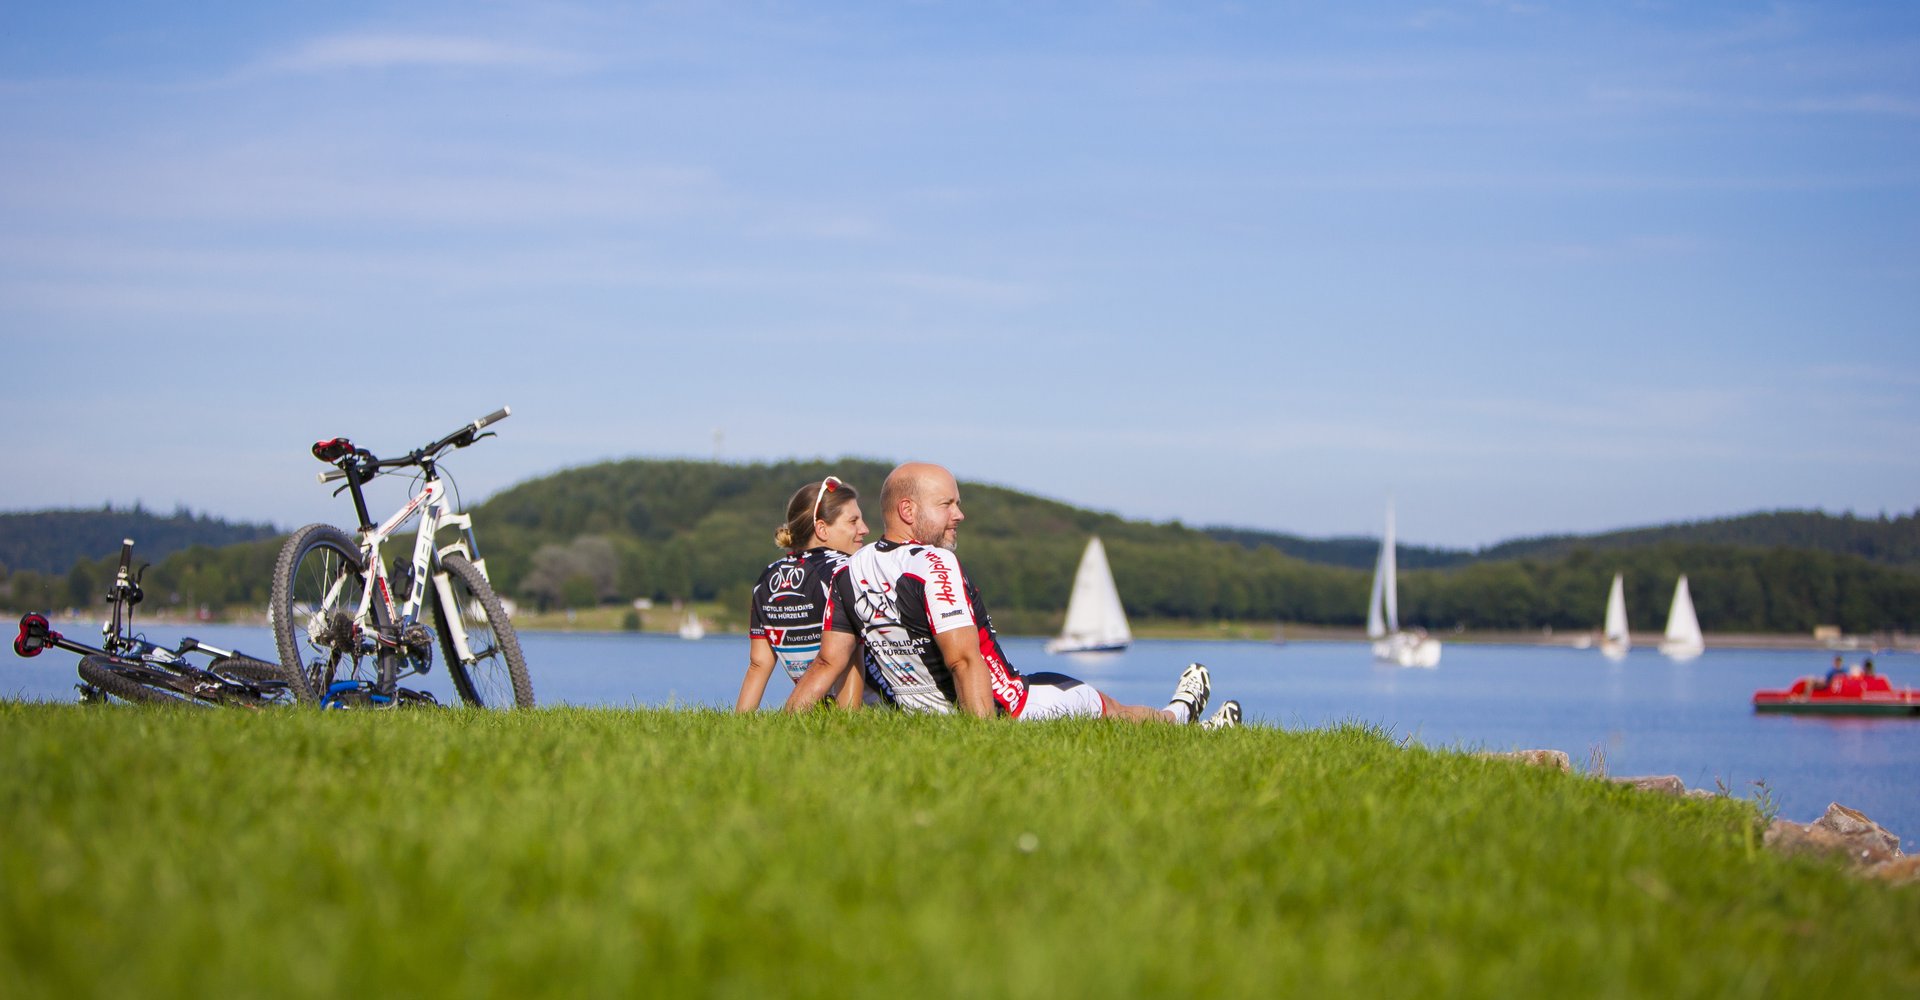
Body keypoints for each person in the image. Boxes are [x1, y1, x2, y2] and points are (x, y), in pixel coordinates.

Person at [784, 462, 1240, 726]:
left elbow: (829, 662)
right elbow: (964, 660)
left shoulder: (851, 570)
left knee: (1060, 683)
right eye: (947, 505)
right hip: (1010, 705)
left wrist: (784, 727)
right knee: (1106, 707)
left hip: (928, 714)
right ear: (908, 510)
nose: (959, 515)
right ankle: (1179, 718)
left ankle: (1186, 721)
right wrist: (983, 744)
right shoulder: (933, 564)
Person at [735, 475, 869, 712]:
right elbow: (849, 655)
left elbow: (759, 664)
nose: (864, 529)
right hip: (866, 705)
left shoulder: (767, 577)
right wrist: (849, 726)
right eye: (853, 521)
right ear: (821, 529)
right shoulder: (846, 569)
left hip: (816, 708)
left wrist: (740, 727)